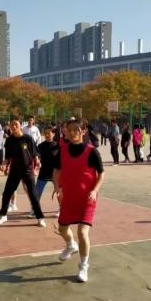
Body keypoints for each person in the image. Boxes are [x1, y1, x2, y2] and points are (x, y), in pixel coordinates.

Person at [53, 120, 105, 282]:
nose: (72, 132)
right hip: (68, 198)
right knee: (62, 229)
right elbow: (56, 171)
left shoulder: (92, 152)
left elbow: (102, 174)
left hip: (87, 199)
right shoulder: (62, 151)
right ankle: (70, 245)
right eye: (69, 130)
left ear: (83, 131)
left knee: (82, 232)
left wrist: (95, 191)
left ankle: (83, 266)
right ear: (65, 132)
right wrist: (57, 187)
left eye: (76, 129)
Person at [0, 118, 46, 227]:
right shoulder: (9, 140)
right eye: (12, 125)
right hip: (14, 170)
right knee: (7, 193)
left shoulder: (28, 138)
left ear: (20, 126)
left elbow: (35, 153)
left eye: (16, 124)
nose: (14, 127)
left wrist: (37, 161)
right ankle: (3, 215)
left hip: (27, 170)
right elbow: (7, 157)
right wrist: (3, 164)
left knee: (33, 194)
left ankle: (40, 217)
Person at [35, 125, 59, 200]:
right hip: (43, 172)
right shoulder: (40, 146)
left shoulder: (57, 146)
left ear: (53, 134)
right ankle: (35, 206)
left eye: (49, 133)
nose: (47, 135)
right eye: (45, 133)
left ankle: (62, 206)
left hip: (55, 173)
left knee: (60, 193)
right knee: (36, 194)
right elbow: (38, 156)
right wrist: (38, 161)